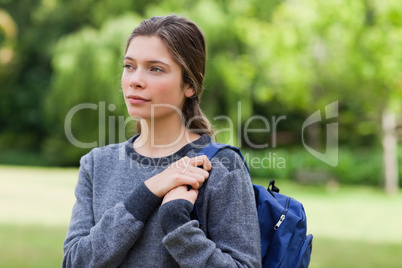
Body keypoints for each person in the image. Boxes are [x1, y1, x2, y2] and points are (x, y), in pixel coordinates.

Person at [63, 15, 261, 267]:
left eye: (155, 69)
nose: (135, 80)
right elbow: (74, 262)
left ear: (190, 84)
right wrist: (147, 193)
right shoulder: (97, 164)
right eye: (129, 66)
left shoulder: (221, 166)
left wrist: (177, 224)